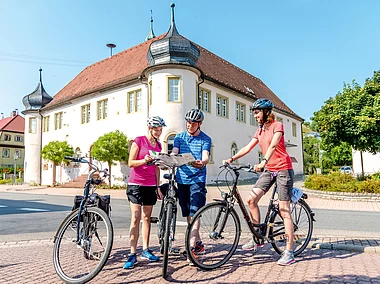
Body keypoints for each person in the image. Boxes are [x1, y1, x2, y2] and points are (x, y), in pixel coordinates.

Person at [222, 98, 295, 266]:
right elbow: (247, 147)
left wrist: (263, 161)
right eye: (254, 113)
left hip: (283, 169)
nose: (255, 115)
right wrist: (232, 158)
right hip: (269, 169)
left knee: (284, 210)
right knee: (251, 199)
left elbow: (274, 144)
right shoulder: (260, 130)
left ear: (266, 112)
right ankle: (257, 238)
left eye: (257, 112)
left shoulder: (278, 126)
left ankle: (289, 251)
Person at [123, 116, 166, 269]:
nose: (159, 132)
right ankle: (132, 253)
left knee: (146, 217)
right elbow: (131, 162)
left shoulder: (159, 146)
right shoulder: (139, 141)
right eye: (157, 130)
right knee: (135, 217)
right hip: (136, 184)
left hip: (150, 185)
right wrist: (144, 160)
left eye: (161, 130)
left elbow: (156, 168)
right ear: (150, 128)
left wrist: (158, 186)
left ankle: (146, 250)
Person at [171, 108, 212, 259]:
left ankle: (191, 248)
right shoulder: (179, 137)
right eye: (188, 122)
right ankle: (199, 244)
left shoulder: (205, 139)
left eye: (193, 123)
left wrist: (203, 162)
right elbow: (175, 151)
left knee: (196, 213)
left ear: (200, 123)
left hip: (197, 179)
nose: (190, 125)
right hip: (182, 179)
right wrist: (170, 158)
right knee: (188, 214)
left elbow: (206, 155)